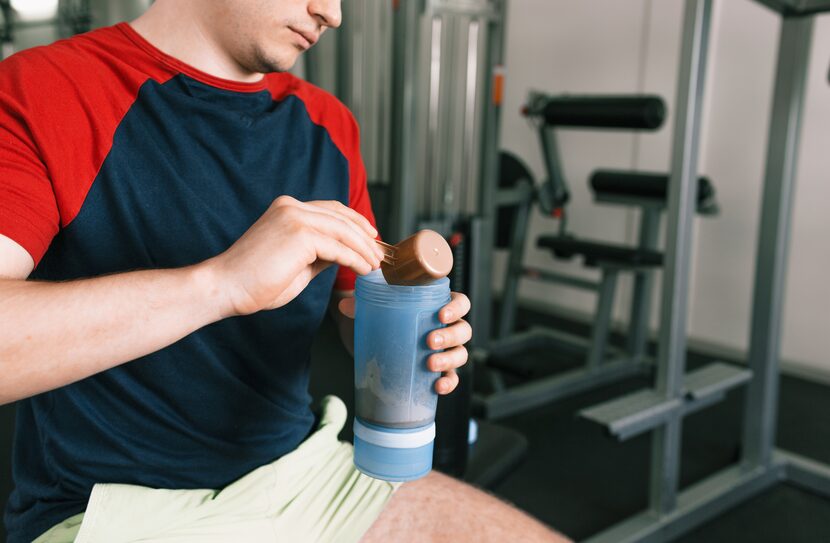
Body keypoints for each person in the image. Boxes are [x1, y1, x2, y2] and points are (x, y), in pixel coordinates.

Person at [0, 1, 570, 542]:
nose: (334, 13)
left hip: (308, 475)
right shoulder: (43, 89)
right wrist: (222, 284)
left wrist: (420, 335)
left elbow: (357, 307)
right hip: (121, 509)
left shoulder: (329, 124)